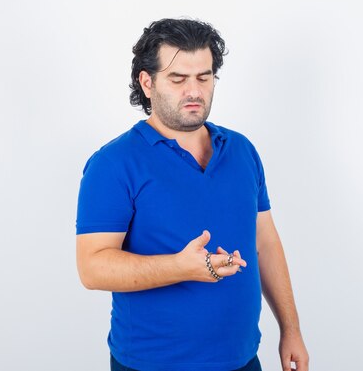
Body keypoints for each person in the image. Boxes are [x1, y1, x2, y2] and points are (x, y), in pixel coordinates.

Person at [76, 18, 309, 371]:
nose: (194, 90)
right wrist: (180, 267)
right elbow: (92, 267)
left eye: (204, 76)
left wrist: (290, 329)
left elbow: (266, 243)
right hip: (151, 364)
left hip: (243, 359)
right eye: (178, 79)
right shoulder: (113, 163)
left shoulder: (242, 150)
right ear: (147, 82)